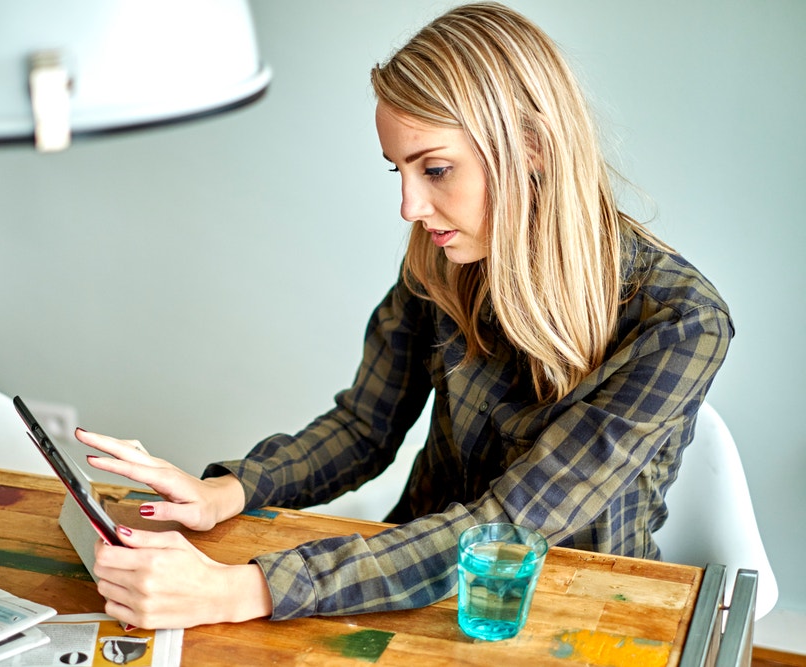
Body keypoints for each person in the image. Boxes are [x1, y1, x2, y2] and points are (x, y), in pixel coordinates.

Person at [79, 2, 732, 630]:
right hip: (402, 584)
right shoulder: (442, 256)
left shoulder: (680, 323)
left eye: (436, 169)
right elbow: (365, 425)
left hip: (574, 609)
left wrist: (244, 587)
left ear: (531, 146)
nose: (409, 206)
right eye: (398, 170)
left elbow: (503, 526)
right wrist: (230, 490)